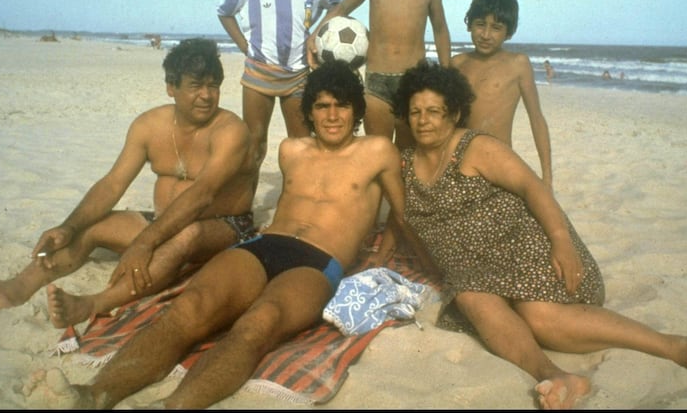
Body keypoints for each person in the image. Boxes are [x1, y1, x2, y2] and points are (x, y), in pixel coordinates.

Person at [39, 61, 412, 409]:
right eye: (323, 105)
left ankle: (171, 406)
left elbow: (401, 211)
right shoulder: (291, 149)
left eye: (342, 106)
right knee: (190, 307)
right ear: (310, 112)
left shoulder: (378, 151)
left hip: (318, 261)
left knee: (258, 323)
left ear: (356, 112)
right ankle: (94, 394)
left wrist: (383, 256)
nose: (332, 116)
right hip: (265, 245)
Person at [392, 61, 687, 409]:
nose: (423, 120)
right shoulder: (404, 164)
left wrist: (562, 242)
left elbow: (532, 187)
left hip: (526, 249)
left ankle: (676, 347)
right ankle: (554, 374)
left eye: (434, 111)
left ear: (454, 113)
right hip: (475, 272)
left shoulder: (475, 147)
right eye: (415, 111)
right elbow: (400, 222)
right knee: (469, 297)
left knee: (540, 319)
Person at [0, 39, 256, 329]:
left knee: (186, 236)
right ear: (171, 87)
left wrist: (144, 241)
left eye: (213, 86)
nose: (206, 95)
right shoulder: (149, 125)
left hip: (224, 226)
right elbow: (113, 184)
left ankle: (94, 303)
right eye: (195, 86)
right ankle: (17, 288)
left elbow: (203, 194)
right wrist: (68, 226)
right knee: (93, 226)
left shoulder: (230, 131)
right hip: (165, 222)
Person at [217, 0, 340, 205]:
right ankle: (242, 208)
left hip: (298, 75)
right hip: (259, 74)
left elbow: (336, 5)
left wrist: (315, 35)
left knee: (300, 146)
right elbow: (225, 13)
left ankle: (294, 206)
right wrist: (245, 47)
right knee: (254, 144)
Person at [307, 0, 451, 151]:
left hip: (412, 81)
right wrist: (314, 35)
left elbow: (440, 30)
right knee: (379, 149)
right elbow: (341, 8)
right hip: (376, 81)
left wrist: (446, 73)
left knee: (408, 152)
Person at [450, 0, 553, 188]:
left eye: (496, 28)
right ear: (469, 24)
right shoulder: (457, 63)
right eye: (480, 24)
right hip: (460, 161)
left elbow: (537, 118)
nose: (486, 35)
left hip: (499, 160)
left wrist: (547, 177)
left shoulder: (518, 64)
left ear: (509, 32)